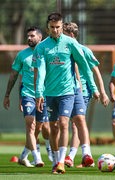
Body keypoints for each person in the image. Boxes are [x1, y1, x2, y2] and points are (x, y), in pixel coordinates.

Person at [33, 12, 99, 174]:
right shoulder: (41, 47)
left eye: (58, 27)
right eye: (52, 28)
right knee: (53, 128)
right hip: (49, 93)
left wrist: (94, 88)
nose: (55, 30)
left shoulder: (70, 43)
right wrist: (39, 93)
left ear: (62, 27)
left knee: (64, 123)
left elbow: (84, 66)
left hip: (68, 91)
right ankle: (56, 160)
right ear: (47, 29)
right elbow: (40, 72)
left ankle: (62, 161)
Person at [62, 22, 110, 168]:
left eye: (63, 33)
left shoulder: (84, 50)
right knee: (69, 124)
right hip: (65, 92)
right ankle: (81, 157)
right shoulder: (63, 50)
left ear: (70, 35)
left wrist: (101, 92)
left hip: (81, 92)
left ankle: (71, 157)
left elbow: (96, 71)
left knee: (77, 123)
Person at [3, 26, 49, 168]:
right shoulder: (22, 55)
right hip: (28, 94)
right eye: (28, 36)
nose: (29, 38)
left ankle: (23, 156)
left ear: (40, 38)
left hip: (45, 95)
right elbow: (15, 76)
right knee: (31, 124)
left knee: (43, 128)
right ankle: (37, 157)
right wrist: (8, 95)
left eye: (32, 36)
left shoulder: (47, 53)